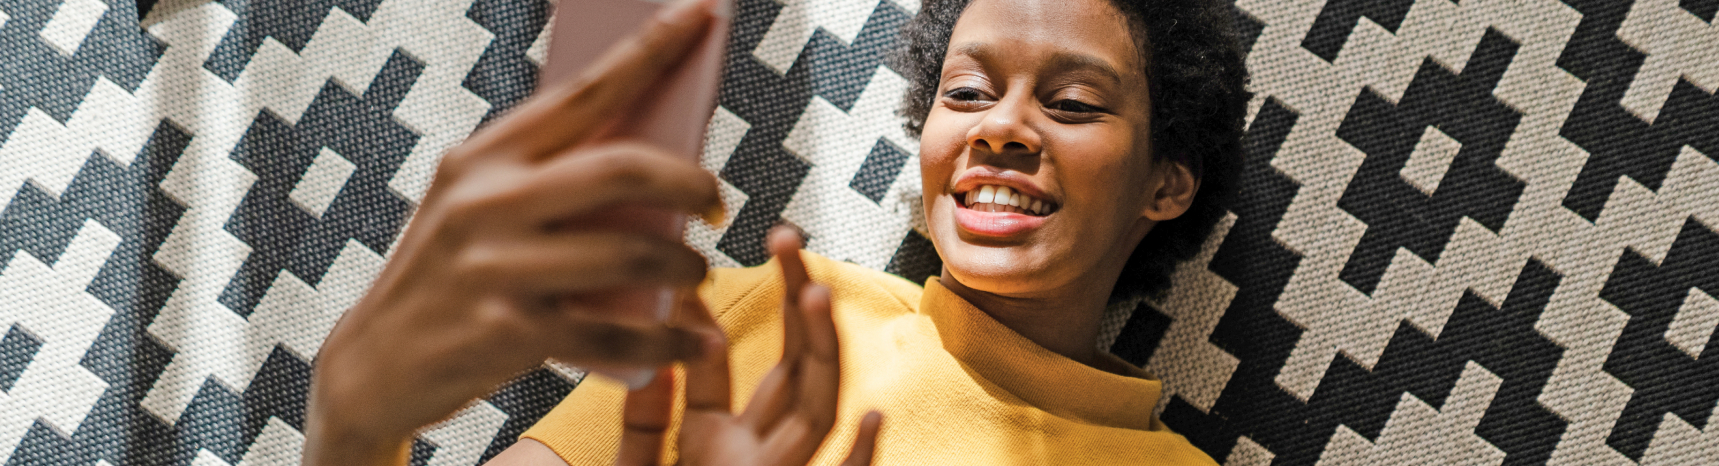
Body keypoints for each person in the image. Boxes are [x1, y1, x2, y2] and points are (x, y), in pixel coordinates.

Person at [303, 0, 1249, 463]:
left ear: (1166, 183)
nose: (998, 126)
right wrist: (349, 433)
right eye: (964, 93)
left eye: (1072, 103)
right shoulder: (761, 315)